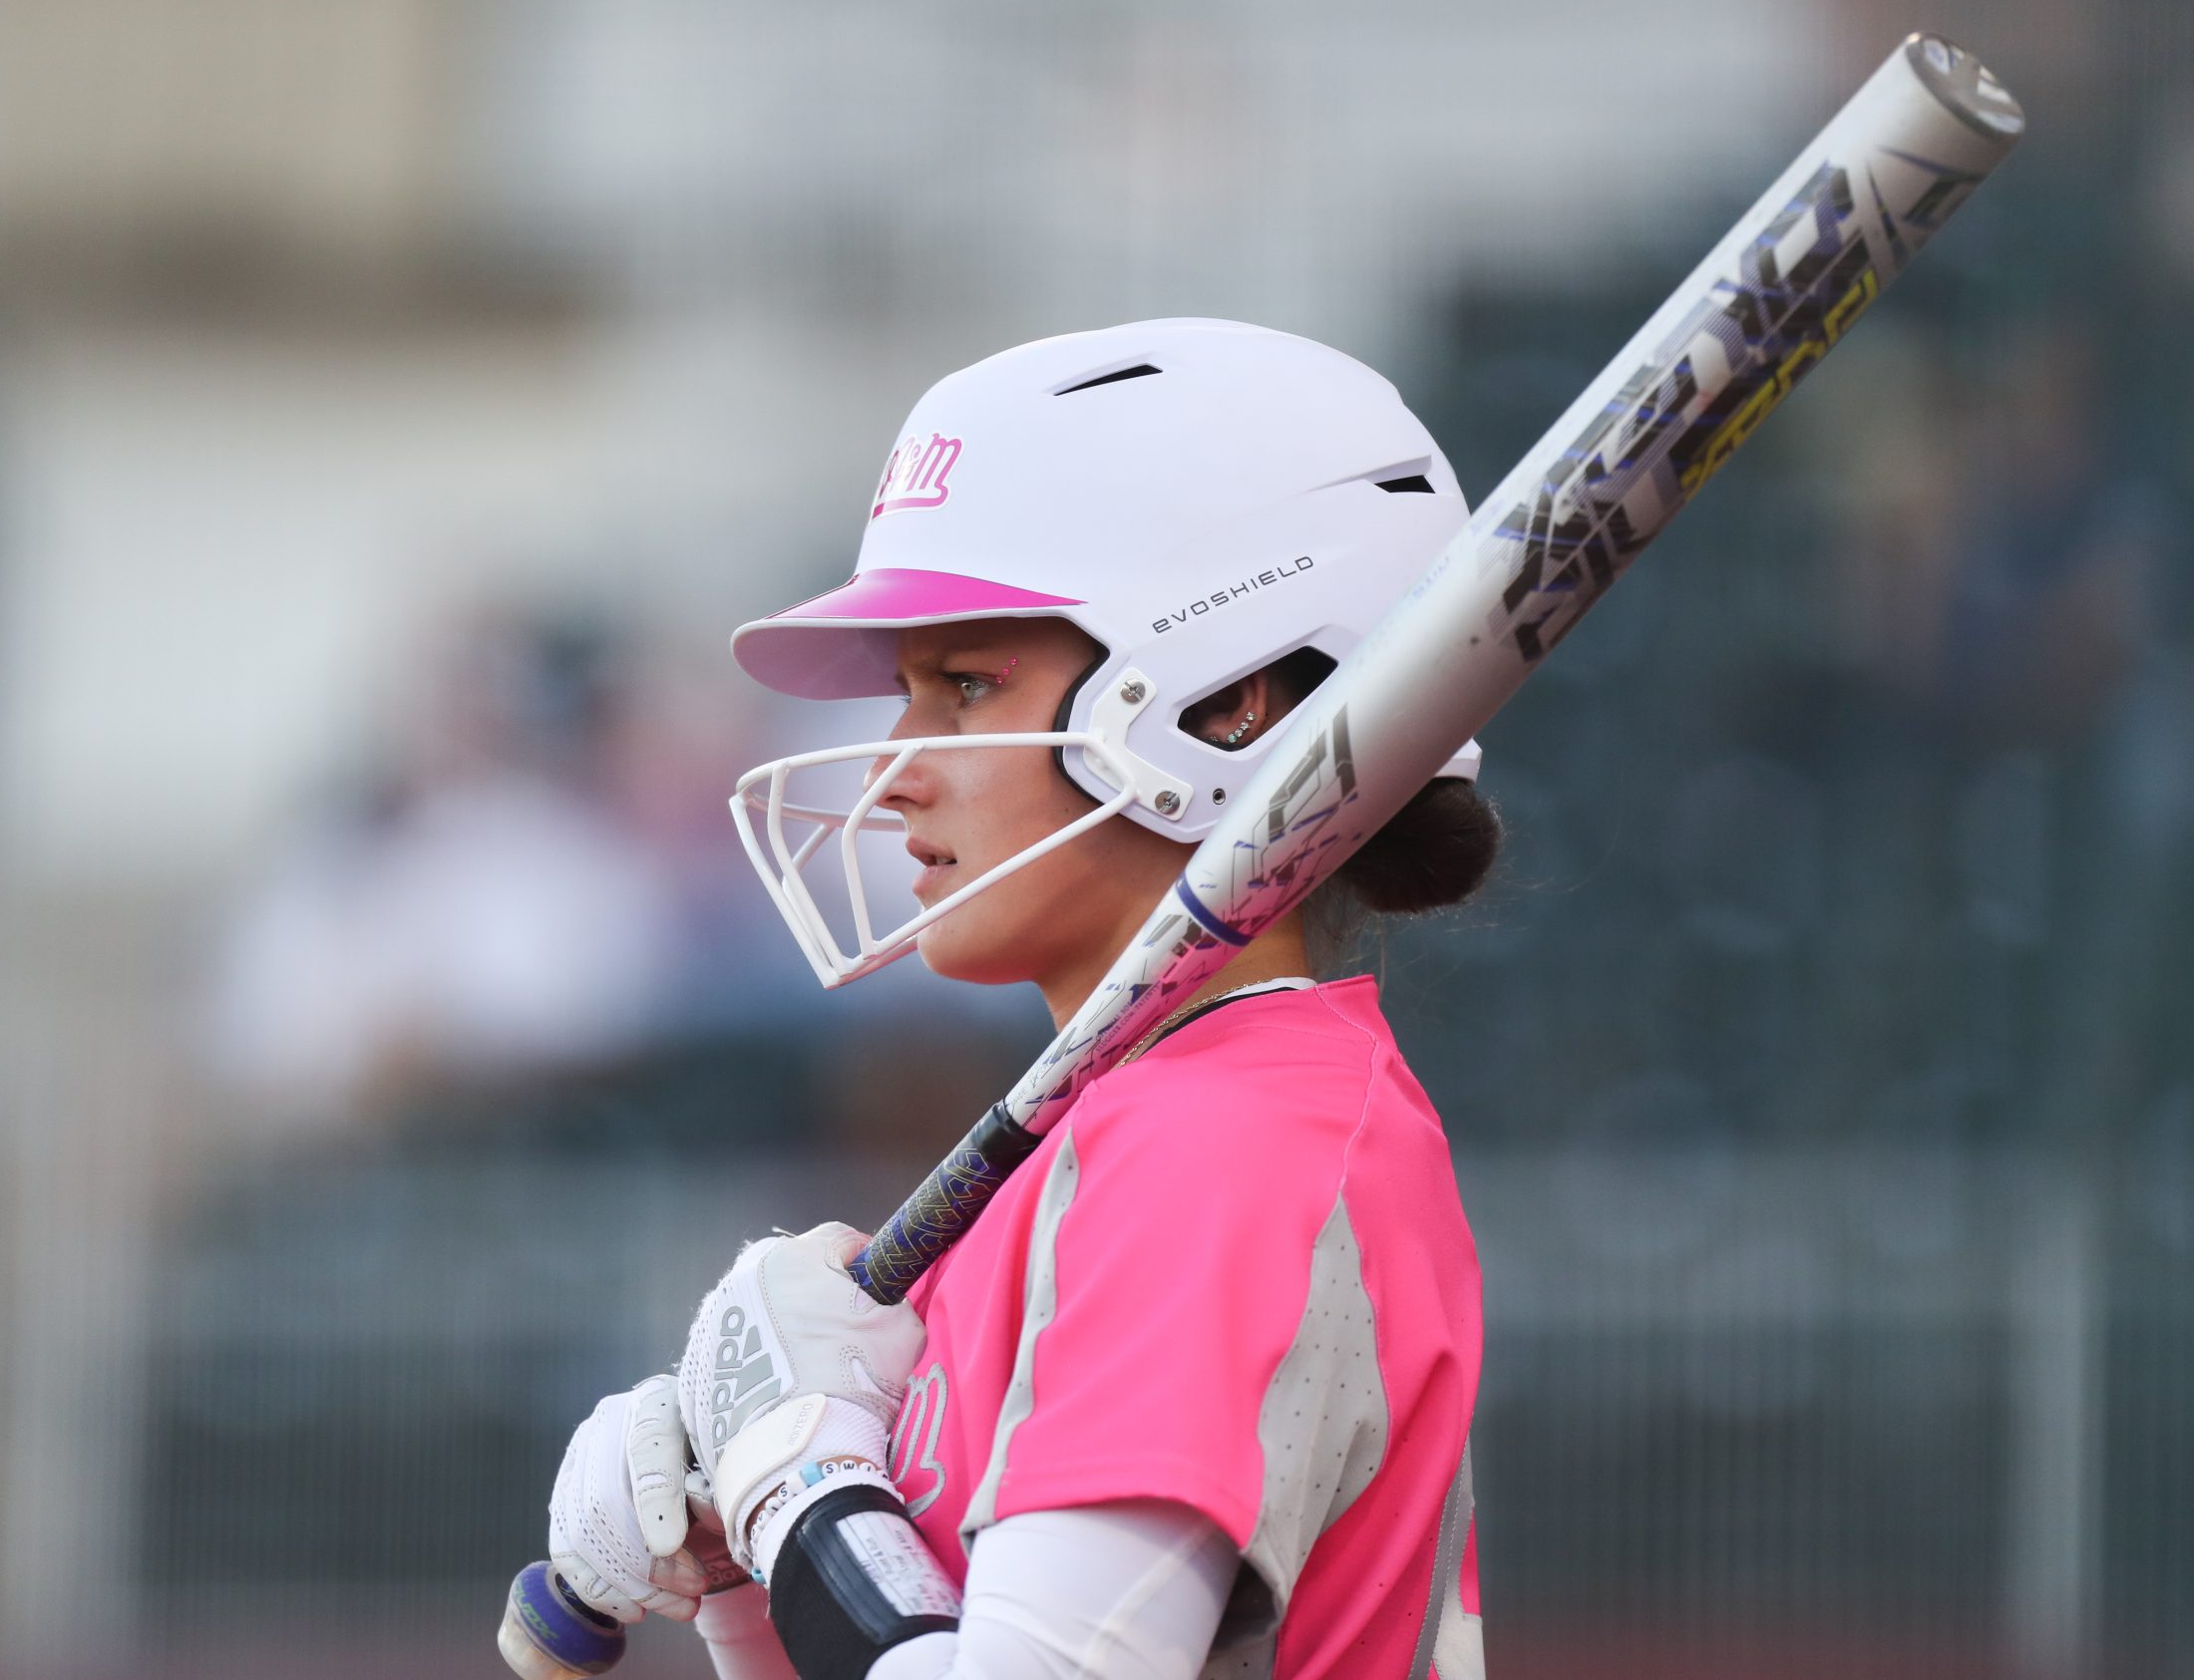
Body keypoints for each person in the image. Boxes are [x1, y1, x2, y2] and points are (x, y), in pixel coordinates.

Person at [529, 320, 1497, 1680]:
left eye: (967, 686)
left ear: (1236, 705)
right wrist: (746, 1567)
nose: (891, 776)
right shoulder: (1096, 1146)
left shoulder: (1224, 1140)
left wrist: (801, 1486)